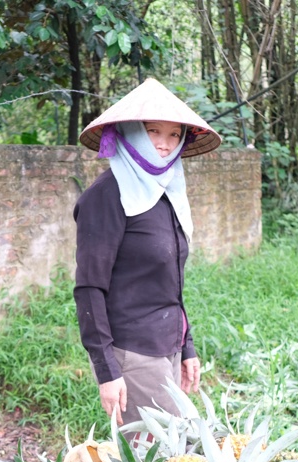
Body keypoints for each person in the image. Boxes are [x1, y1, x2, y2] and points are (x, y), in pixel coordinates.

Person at [73, 78, 222, 427]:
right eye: (153, 131)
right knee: (160, 460)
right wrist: (107, 371)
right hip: (133, 354)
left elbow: (171, 282)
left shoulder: (168, 192)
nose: (164, 145)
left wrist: (187, 347)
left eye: (174, 135)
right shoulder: (107, 195)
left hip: (168, 344)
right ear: (130, 132)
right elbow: (89, 288)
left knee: (174, 456)